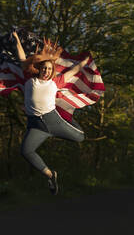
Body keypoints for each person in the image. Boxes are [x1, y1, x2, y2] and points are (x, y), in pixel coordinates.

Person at [12, 31, 89, 195]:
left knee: (80, 137)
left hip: (54, 121)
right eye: (44, 68)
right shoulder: (29, 79)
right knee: (26, 151)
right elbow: (21, 57)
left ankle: (68, 117)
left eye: (49, 69)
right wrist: (17, 39)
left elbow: (73, 71)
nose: (46, 71)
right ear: (39, 68)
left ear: (52, 71)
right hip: (36, 125)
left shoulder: (55, 82)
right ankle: (50, 175)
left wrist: (84, 62)